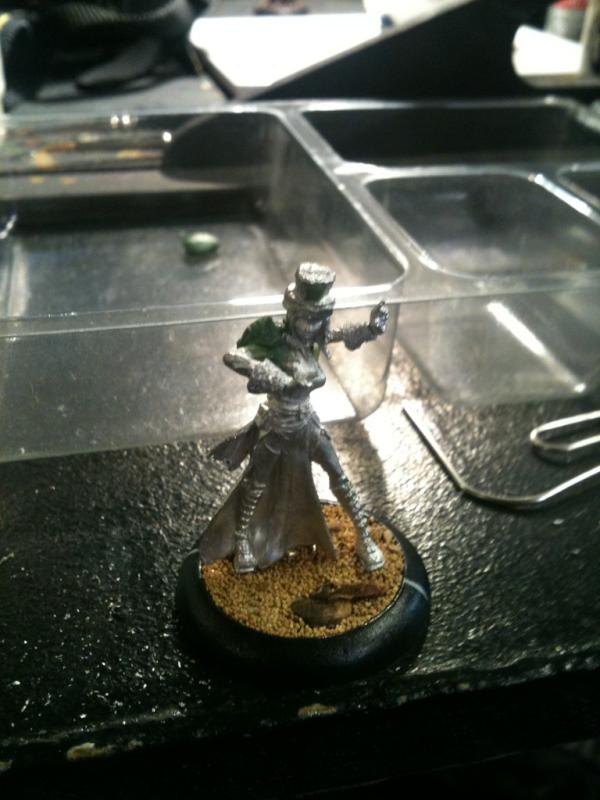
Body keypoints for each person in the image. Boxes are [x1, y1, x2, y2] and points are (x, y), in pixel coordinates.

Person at [198, 262, 389, 574]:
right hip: (276, 426)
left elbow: (342, 334)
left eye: (317, 319)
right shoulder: (272, 336)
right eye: (305, 318)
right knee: (256, 484)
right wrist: (268, 373)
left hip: (307, 424)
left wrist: (370, 330)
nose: (310, 326)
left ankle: (364, 538)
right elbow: (233, 355)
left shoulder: (315, 339)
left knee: (338, 475)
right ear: (292, 312)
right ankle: (242, 539)